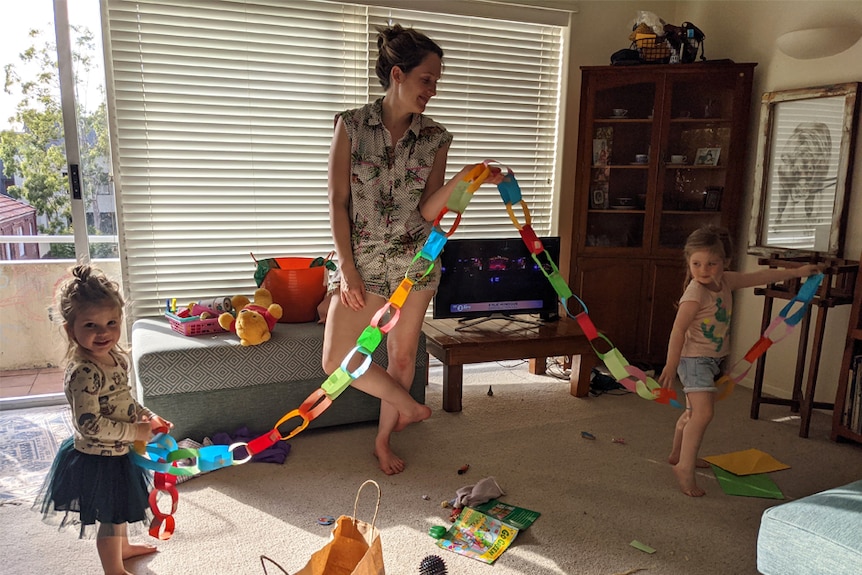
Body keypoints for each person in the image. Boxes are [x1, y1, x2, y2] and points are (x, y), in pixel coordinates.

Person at [323, 23, 501, 475]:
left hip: (414, 263)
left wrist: (467, 176)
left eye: (437, 81)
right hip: (361, 262)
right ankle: (409, 405)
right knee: (335, 360)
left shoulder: (436, 138)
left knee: (402, 356)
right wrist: (346, 268)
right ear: (398, 74)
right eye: (427, 79)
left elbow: (427, 211)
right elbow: (338, 201)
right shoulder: (351, 125)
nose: (434, 89)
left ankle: (383, 442)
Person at [657, 226, 821, 497]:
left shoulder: (727, 281)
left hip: (712, 359)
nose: (703, 269)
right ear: (688, 263)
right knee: (704, 413)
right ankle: (685, 467)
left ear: (725, 263)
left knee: (692, 413)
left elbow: (760, 276)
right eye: (696, 263)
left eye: (712, 263)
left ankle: (677, 453)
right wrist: (671, 364)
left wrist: (796, 273)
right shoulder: (695, 293)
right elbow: (678, 329)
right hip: (694, 360)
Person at [34, 264, 172, 575]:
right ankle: (113, 570)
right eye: (91, 325)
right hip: (98, 458)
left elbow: (124, 400)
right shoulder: (84, 371)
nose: (103, 333)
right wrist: (135, 431)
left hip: (119, 452)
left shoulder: (115, 358)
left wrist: (147, 416)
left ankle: (123, 550)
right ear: (71, 330)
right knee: (110, 518)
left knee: (120, 510)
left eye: (111, 322)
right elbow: (89, 424)